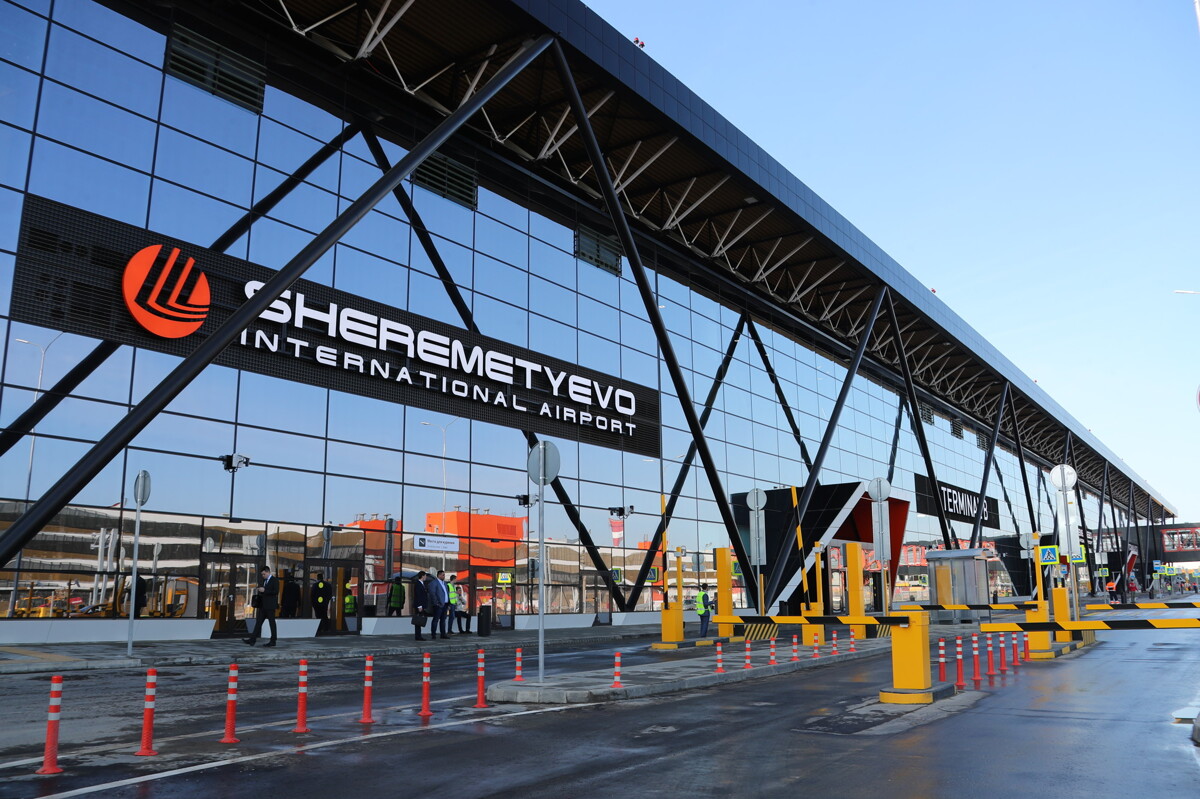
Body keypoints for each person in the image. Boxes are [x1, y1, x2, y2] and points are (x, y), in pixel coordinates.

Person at [244, 566, 278, 646]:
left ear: (268, 572)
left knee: (272, 623)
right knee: (258, 622)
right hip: (263, 605)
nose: (263, 576)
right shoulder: (264, 580)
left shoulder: (274, 580)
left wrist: (265, 590)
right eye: (262, 574)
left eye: (264, 574)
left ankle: (273, 640)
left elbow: (276, 591)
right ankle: (252, 640)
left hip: (270, 606)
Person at [427, 570, 449, 639]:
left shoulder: (444, 583)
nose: (444, 576)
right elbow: (432, 594)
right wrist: (436, 603)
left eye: (444, 575)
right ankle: (433, 634)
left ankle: (443, 634)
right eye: (443, 575)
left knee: (443, 620)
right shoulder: (434, 583)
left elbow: (446, 593)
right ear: (439, 575)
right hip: (438, 605)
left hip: (445, 604)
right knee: (436, 619)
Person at [411, 571, 430, 641]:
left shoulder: (422, 584)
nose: (426, 577)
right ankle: (418, 636)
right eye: (425, 576)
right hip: (419, 606)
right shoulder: (418, 584)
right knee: (418, 620)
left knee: (420, 620)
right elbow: (418, 595)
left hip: (422, 605)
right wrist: (419, 606)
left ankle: (419, 635)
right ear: (422, 576)